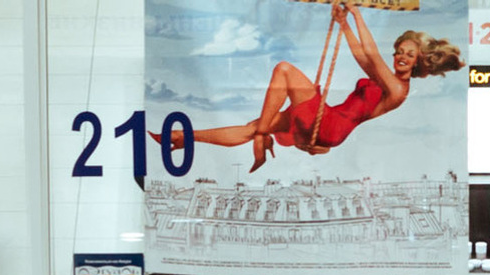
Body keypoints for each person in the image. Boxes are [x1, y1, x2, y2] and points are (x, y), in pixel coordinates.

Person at [182, 1, 464, 167]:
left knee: (284, 70)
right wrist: (343, 24)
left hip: (331, 124)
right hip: (327, 119)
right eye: (400, 51)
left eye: (409, 54)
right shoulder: (385, 80)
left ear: (418, 62)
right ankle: (180, 138)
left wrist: (356, 14)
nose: (401, 57)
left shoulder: (399, 90)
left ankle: (261, 136)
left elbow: (373, 56)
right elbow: (361, 56)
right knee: (251, 126)